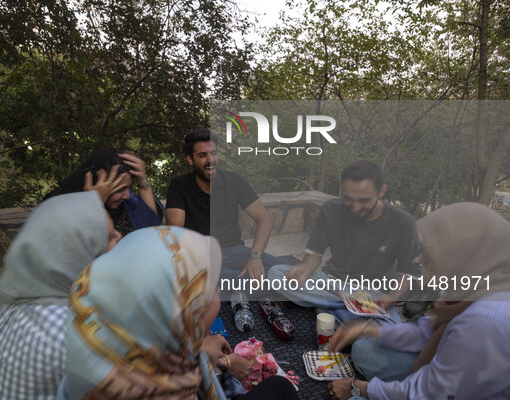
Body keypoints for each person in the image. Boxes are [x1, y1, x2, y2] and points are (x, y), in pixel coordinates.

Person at [57, 226, 298, 400]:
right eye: (215, 288)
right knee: (281, 387)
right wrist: (217, 361)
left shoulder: (110, 327)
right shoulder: (168, 387)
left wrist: (202, 352)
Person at [327, 202, 510, 400]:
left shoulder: (486, 320)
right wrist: (367, 329)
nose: (421, 259)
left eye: (429, 250)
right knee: (365, 347)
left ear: (461, 252)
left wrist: (357, 387)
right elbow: (429, 330)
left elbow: (427, 395)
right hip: (448, 381)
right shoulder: (480, 287)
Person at [0, 191, 122, 400]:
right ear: (79, 256)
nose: (120, 237)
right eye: (110, 237)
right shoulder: (78, 336)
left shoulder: (17, 304)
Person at [268, 160, 421, 323]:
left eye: (364, 200)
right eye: (348, 199)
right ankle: (347, 312)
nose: (355, 208)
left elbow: (409, 272)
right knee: (276, 274)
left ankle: (329, 309)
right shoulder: (330, 210)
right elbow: (314, 255)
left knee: (388, 337)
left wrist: (392, 297)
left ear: (381, 191)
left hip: (371, 294)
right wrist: (304, 269)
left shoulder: (403, 222)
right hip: (331, 282)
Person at [165, 129, 284, 283]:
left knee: (288, 271)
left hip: (234, 251)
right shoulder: (179, 186)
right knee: (219, 280)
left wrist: (255, 257)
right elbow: (176, 232)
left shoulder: (234, 181)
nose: (210, 160)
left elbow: (264, 219)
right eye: (202, 155)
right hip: (199, 256)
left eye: (214, 153)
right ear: (190, 159)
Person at [45, 149, 164, 236]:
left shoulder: (125, 205)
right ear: (96, 181)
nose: (127, 195)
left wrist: (143, 182)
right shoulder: (57, 206)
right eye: (119, 189)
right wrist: (94, 203)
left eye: (129, 187)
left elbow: (148, 229)